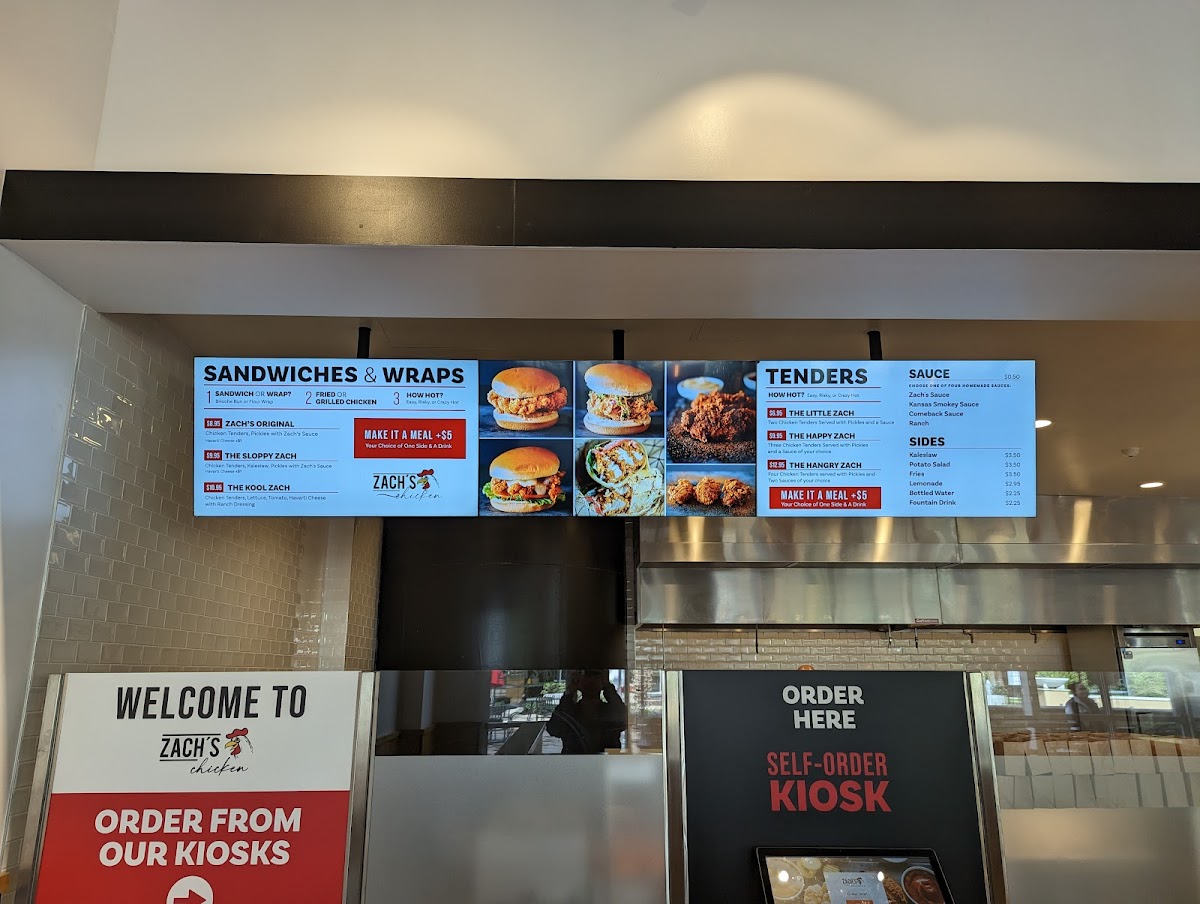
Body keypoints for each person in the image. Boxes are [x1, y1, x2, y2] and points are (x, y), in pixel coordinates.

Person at [547, 670, 627, 754]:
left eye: (595, 676)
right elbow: (553, 729)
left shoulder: (611, 711)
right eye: (586, 676)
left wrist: (569, 693)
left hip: (604, 760)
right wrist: (569, 693)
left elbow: (625, 722)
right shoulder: (569, 713)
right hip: (576, 761)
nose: (590, 681)